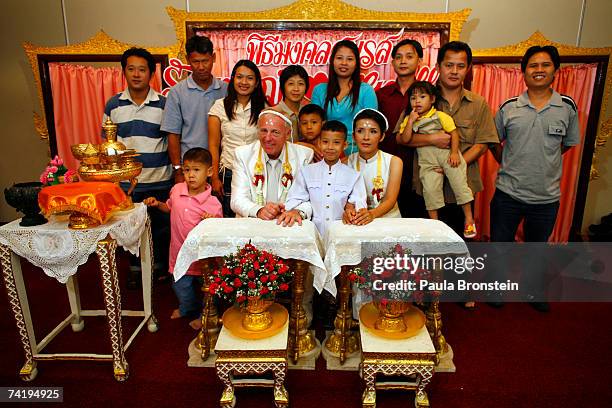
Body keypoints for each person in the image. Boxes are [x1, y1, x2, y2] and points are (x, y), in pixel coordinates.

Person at [490, 45, 580, 312]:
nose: (539, 70)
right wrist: (511, 162)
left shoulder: (566, 108)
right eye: (533, 65)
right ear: (524, 72)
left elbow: (567, 144)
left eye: (545, 65)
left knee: (536, 249)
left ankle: (532, 291)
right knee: (500, 247)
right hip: (508, 192)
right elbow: (495, 142)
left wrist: (543, 163)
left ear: (555, 70)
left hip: (546, 196)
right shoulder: (508, 107)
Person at [102, 47, 171, 288]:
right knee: (128, 229)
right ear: (124, 72)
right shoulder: (113, 105)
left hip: (160, 178)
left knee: (161, 229)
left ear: (151, 73)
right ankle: (134, 271)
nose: (136, 74)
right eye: (131, 69)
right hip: (126, 183)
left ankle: (160, 270)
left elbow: (171, 140)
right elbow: (108, 144)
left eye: (142, 69)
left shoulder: (164, 104)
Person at [143, 148, 222, 329]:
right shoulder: (177, 190)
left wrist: (211, 222)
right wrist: (158, 204)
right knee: (180, 286)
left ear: (209, 172)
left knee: (209, 289)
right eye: (186, 170)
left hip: (203, 258)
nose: (190, 175)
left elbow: (219, 231)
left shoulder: (213, 203)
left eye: (196, 170)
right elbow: (170, 207)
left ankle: (206, 314)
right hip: (179, 254)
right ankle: (187, 307)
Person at [398, 81, 476, 237]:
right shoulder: (409, 119)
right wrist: (411, 121)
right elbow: (405, 139)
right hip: (427, 162)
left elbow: (454, 134)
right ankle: (435, 225)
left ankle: (469, 219)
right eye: (413, 98)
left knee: (460, 184)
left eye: (422, 96)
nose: (417, 101)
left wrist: (454, 153)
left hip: (448, 156)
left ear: (432, 99)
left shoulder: (440, 115)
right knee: (430, 191)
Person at [278, 120, 367, 238]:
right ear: (319, 143)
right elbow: (295, 199)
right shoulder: (306, 172)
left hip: (342, 235)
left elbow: (359, 203)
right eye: (325, 142)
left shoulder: (354, 176)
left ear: (344, 145)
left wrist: (351, 210)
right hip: (310, 235)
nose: (330, 147)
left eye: (336, 143)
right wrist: (297, 211)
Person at [161, 35, 228, 183]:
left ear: (214, 57)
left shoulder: (226, 90)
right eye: (195, 62)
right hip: (190, 169)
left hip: (220, 167)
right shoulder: (177, 92)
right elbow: (173, 134)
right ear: (187, 60)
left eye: (205, 61)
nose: (201, 67)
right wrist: (178, 169)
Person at [208, 60, 267, 217]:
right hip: (229, 172)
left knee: (255, 216)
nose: (244, 82)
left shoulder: (264, 108)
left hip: (258, 173)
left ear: (256, 82)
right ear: (233, 79)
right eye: (240, 77)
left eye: (249, 78)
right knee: (229, 218)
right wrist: (214, 177)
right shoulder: (219, 106)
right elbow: (213, 145)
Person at [230, 110, 314, 219]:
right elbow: (237, 199)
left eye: (275, 132)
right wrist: (259, 210)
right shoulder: (243, 154)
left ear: (287, 134)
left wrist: (298, 211)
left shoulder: (304, 156)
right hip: (252, 224)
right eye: (264, 131)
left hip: (288, 225)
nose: (268, 138)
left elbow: (311, 199)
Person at [376, 38, 426, 217]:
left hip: (418, 171)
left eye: (409, 56)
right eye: (398, 57)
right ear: (392, 63)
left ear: (420, 61)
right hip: (385, 170)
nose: (403, 61)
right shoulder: (382, 94)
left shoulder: (427, 94)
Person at [311, 40, 378, 156]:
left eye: (350, 59)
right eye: (339, 58)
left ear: (356, 63)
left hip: (357, 154)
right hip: (326, 153)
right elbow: (313, 126)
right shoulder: (319, 90)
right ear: (332, 61)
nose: (344, 63)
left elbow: (372, 128)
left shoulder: (366, 91)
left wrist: (356, 157)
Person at [345, 109, 403, 224]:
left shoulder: (394, 162)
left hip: (389, 221)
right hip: (357, 221)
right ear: (353, 136)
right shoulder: (345, 163)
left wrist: (371, 214)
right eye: (360, 131)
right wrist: (348, 210)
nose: (366, 137)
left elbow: (390, 200)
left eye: (373, 131)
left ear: (382, 136)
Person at [272, 65, 310, 140]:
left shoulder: (309, 113)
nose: (296, 89)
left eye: (301, 84)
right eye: (291, 84)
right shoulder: (274, 113)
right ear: (283, 87)